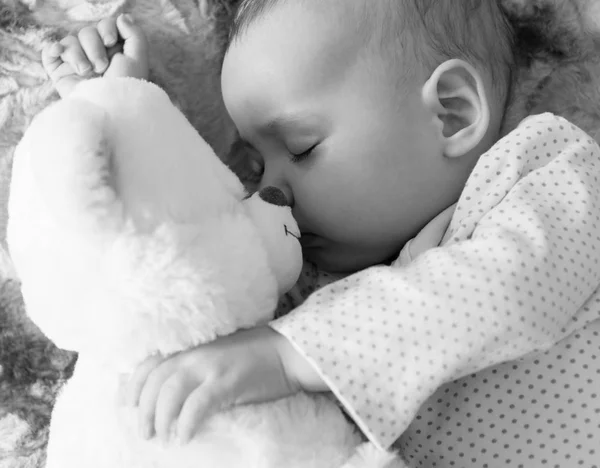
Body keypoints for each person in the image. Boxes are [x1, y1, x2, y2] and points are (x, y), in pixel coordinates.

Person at [42, 2, 600, 465]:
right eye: (256, 165)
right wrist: (126, 110)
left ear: (451, 113)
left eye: (302, 147)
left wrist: (287, 356)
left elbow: (505, 291)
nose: (270, 192)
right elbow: (192, 272)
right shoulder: (333, 280)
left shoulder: (549, 167)